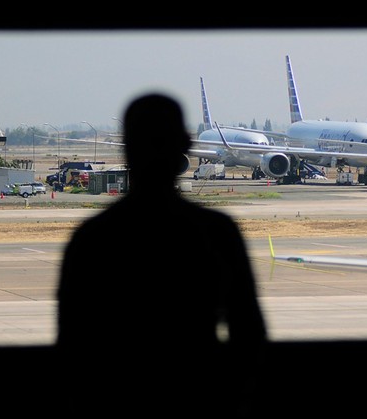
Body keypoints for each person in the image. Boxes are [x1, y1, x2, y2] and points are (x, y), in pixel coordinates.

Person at [56, 93, 266, 415]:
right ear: (185, 145)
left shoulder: (92, 239)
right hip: (202, 395)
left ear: (126, 148)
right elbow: (250, 334)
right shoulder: (218, 233)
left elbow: (72, 344)